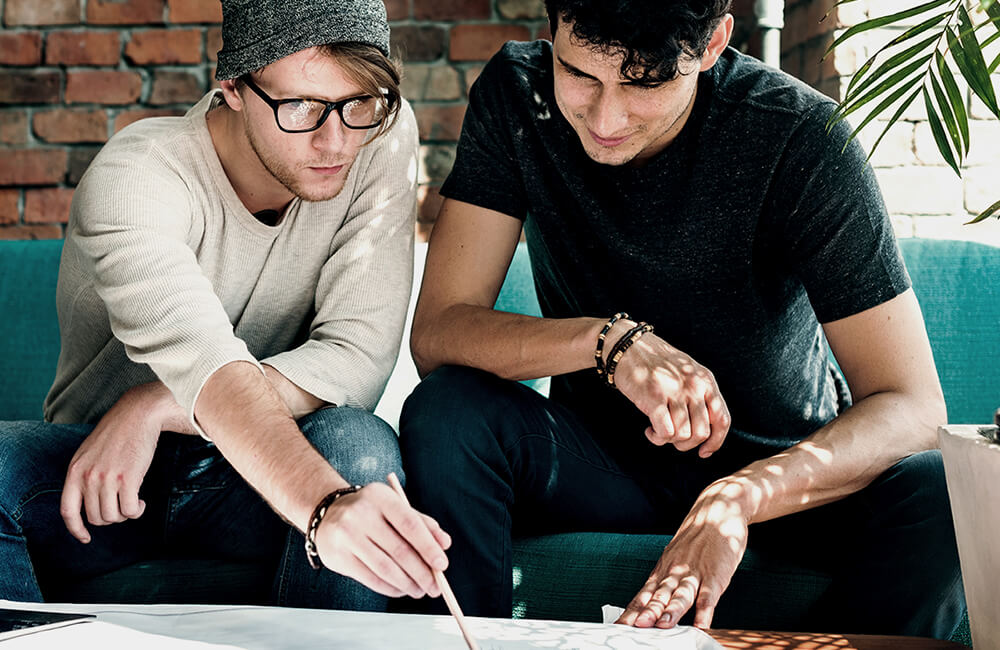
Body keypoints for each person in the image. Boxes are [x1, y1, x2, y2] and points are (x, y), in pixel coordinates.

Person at [398, 0, 964, 638]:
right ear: (552, 29)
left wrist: (740, 497)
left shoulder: (800, 135)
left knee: (944, 488)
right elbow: (440, 332)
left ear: (715, 42)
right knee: (447, 412)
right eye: (579, 74)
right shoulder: (517, 95)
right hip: (601, 466)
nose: (605, 120)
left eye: (645, 83)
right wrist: (608, 341)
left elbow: (915, 407)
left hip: (786, 479)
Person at [0, 0, 451, 611]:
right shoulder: (137, 176)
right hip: (102, 474)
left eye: (359, 103)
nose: (336, 141)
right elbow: (204, 361)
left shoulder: (378, 135)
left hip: (253, 482)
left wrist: (159, 404)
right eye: (300, 107)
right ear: (233, 86)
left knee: (357, 442)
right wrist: (325, 508)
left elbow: (358, 356)